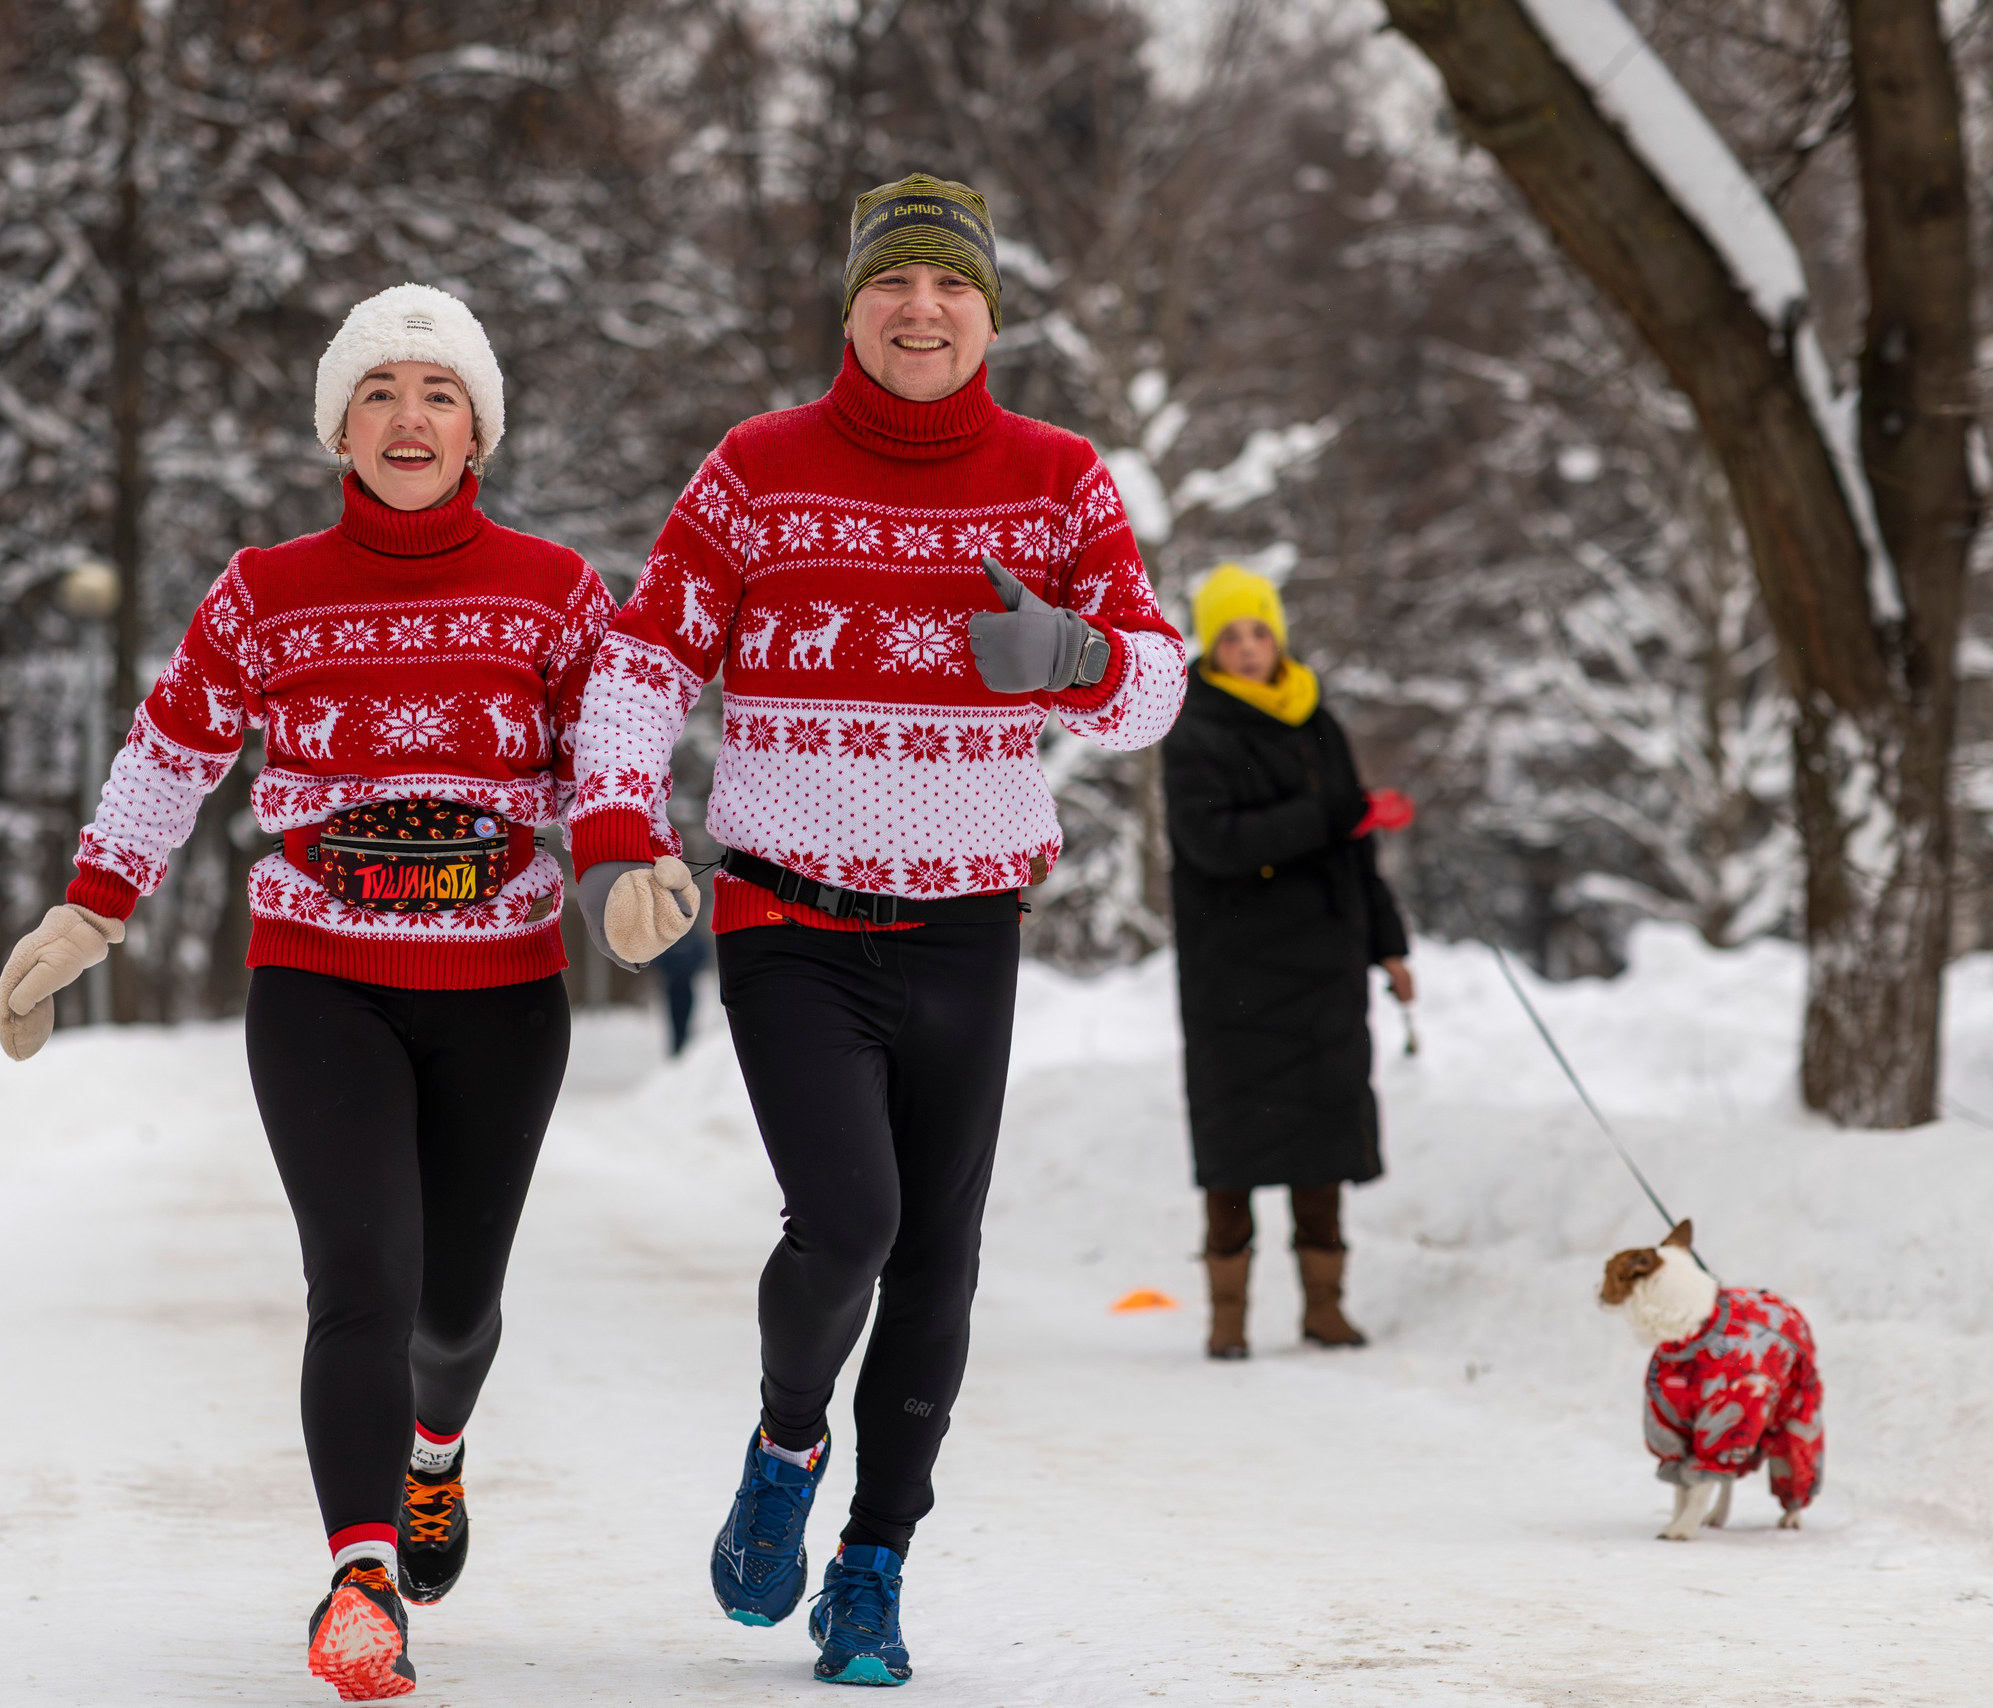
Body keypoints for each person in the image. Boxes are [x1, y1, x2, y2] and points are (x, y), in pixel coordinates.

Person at [568, 174, 1187, 1687]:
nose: (923, 310)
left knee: (938, 1262)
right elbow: (644, 660)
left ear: (990, 313)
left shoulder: (1059, 479)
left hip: (967, 927)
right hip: (789, 913)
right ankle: (787, 1445)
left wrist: (1076, 650)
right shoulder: (757, 469)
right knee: (849, 1223)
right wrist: (619, 833)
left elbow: (1156, 684)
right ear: (851, 310)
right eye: (893, 285)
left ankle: (873, 1566)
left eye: (952, 285)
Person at [0, 284, 613, 1702]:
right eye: (379, 392)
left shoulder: (557, 590)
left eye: (440, 393)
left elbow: (611, 758)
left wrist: (625, 863)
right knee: (362, 1282)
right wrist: (94, 904)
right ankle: (361, 1576)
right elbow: (170, 747)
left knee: (452, 1313)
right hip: (320, 975)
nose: (410, 417)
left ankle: (434, 1454)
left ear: (479, 432)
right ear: (340, 426)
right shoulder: (265, 590)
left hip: (503, 983)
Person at [1160, 563, 1413, 1362]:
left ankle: (1325, 1309)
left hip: (1325, 967)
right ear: (1211, 644)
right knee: (1234, 1146)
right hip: (1233, 973)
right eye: (1231, 634)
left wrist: (1389, 943)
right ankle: (1228, 1317)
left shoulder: (1317, 719)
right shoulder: (1193, 728)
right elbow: (1214, 842)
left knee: (1323, 1138)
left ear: (1278, 636)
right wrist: (1330, 814)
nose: (1247, 646)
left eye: (1259, 631)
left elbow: (1355, 848)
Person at [658, 921, 711, 1055]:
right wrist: (668, 971)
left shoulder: (691, 936)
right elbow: (657, 958)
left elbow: (703, 953)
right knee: (674, 1016)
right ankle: (677, 1044)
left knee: (686, 1015)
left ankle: (684, 1043)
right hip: (673, 985)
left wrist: (691, 970)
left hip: (686, 985)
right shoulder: (668, 937)